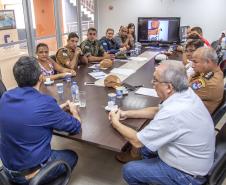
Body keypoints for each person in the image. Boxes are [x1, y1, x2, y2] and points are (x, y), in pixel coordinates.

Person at [109, 60, 215, 185]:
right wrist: (127, 113)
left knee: (129, 170)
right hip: (195, 160)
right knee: (146, 150)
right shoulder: (184, 92)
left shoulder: (174, 112)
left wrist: (115, 122)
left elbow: (137, 141)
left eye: (155, 80)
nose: (152, 83)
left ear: (169, 87)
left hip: (187, 175)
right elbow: (158, 110)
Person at [0, 56, 81, 185]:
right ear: (41, 77)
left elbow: (26, 113)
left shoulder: (5, 97)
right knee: (71, 156)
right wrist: (74, 111)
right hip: (28, 176)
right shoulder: (45, 102)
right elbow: (75, 127)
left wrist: (56, 109)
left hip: (6, 169)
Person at [190, 47, 224, 114]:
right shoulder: (214, 72)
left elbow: (182, 92)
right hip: (194, 112)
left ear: (208, 62)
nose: (192, 65)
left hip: (195, 117)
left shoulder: (208, 82)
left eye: (195, 62)